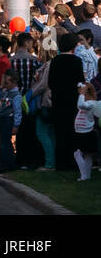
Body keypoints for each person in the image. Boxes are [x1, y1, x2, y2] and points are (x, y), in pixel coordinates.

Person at [47, 32, 86, 174]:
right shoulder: (76, 61)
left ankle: (61, 162)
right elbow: (80, 80)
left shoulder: (55, 60)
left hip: (58, 100)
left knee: (59, 132)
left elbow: (50, 82)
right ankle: (72, 162)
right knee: (72, 132)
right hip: (72, 100)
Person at [73, 83, 101, 180]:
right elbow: (80, 105)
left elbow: (80, 104)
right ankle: (86, 175)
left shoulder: (91, 103)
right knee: (86, 155)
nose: (79, 95)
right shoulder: (87, 103)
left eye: (81, 93)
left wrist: (82, 93)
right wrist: (82, 93)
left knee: (78, 153)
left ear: (86, 93)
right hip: (81, 132)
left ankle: (84, 175)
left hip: (85, 132)